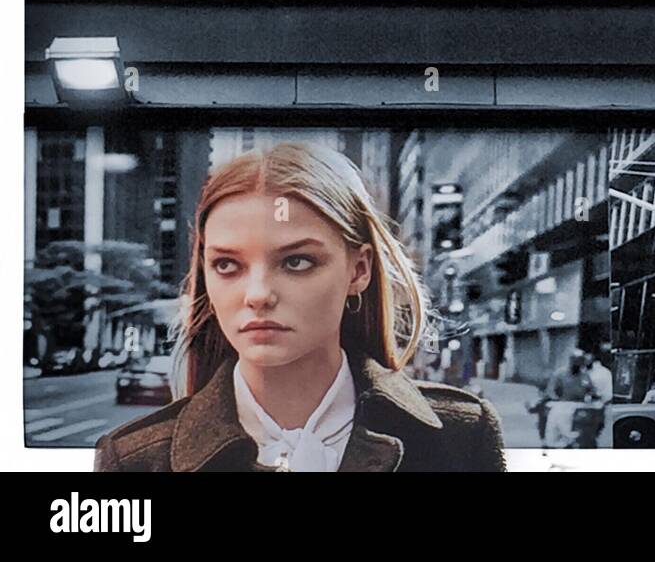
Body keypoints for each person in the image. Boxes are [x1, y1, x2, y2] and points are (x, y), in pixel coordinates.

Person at [94, 142, 507, 472]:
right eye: (227, 265)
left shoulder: (460, 436)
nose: (257, 294)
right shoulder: (135, 460)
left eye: (296, 261)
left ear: (358, 269)